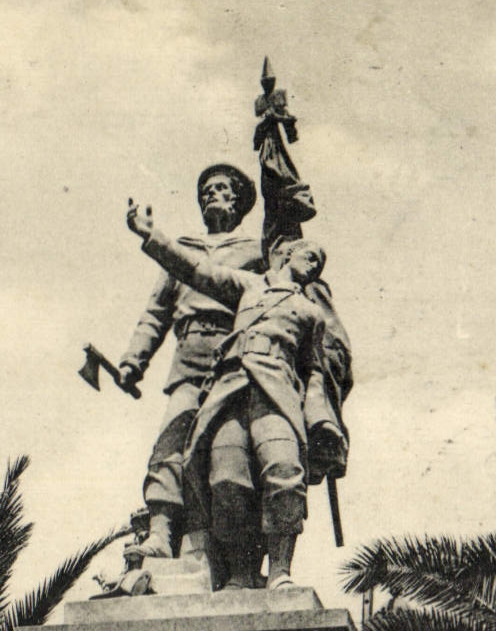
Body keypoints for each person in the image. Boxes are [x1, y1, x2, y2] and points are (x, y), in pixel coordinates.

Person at [125, 199, 352, 590]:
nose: (314, 266)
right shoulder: (249, 285)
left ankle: (280, 572)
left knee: (284, 473)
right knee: (227, 481)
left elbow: (316, 372)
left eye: (319, 264)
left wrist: (322, 422)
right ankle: (241, 573)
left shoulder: (311, 313)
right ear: (286, 255)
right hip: (229, 388)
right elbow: (196, 271)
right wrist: (151, 236)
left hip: (276, 392)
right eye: (310, 256)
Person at [116, 165, 263, 560]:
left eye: (220, 188)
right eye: (205, 191)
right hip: (189, 354)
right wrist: (133, 360)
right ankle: (161, 533)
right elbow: (155, 314)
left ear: (238, 199)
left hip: (234, 357)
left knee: (229, 450)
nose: (210, 195)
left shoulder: (256, 251)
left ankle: (229, 553)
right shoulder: (182, 248)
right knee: (172, 440)